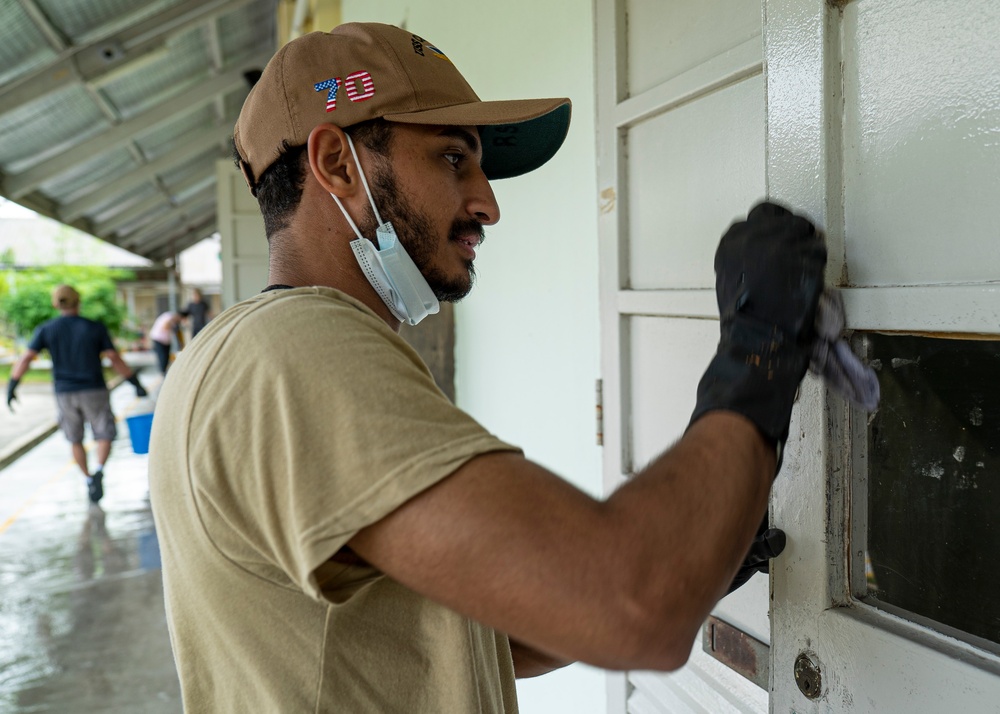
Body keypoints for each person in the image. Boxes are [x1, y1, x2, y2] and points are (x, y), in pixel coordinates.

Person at [148, 23, 826, 713]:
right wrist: (759, 346)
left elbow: (477, 633)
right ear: (338, 164)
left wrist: (699, 564)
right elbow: (633, 607)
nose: (487, 204)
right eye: (452, 159)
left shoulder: (235, 352)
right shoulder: (297, 351)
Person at [6, 285, 148, 504]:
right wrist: (134, 382)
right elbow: (113, 357)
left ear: (56, 304)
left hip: (65, 393)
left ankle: (88, 478)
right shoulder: (94, 328)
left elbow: (25, 358)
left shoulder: (47, 329)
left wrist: (12, 385)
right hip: (95, 389)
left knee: (75, 439)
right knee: (104, 433)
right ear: (78, 301)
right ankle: (99, 469)